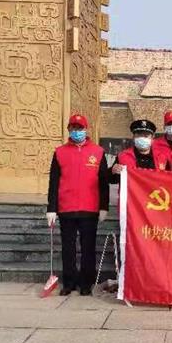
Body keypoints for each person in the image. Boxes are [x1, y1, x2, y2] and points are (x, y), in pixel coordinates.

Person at [46, 114, 109, 296]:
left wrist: (104, 206)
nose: (76, 131)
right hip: (66, 208)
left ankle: (86, 283)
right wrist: (51, 208)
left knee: (88, 248)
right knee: (68, 248)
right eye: (73, 128)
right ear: (69, 130)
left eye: (79, 128)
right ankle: (69, 282)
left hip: (90, 208)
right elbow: (54, 182)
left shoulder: (98, 152)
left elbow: (103, 183)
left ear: (86, 129)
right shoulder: (60, 152)